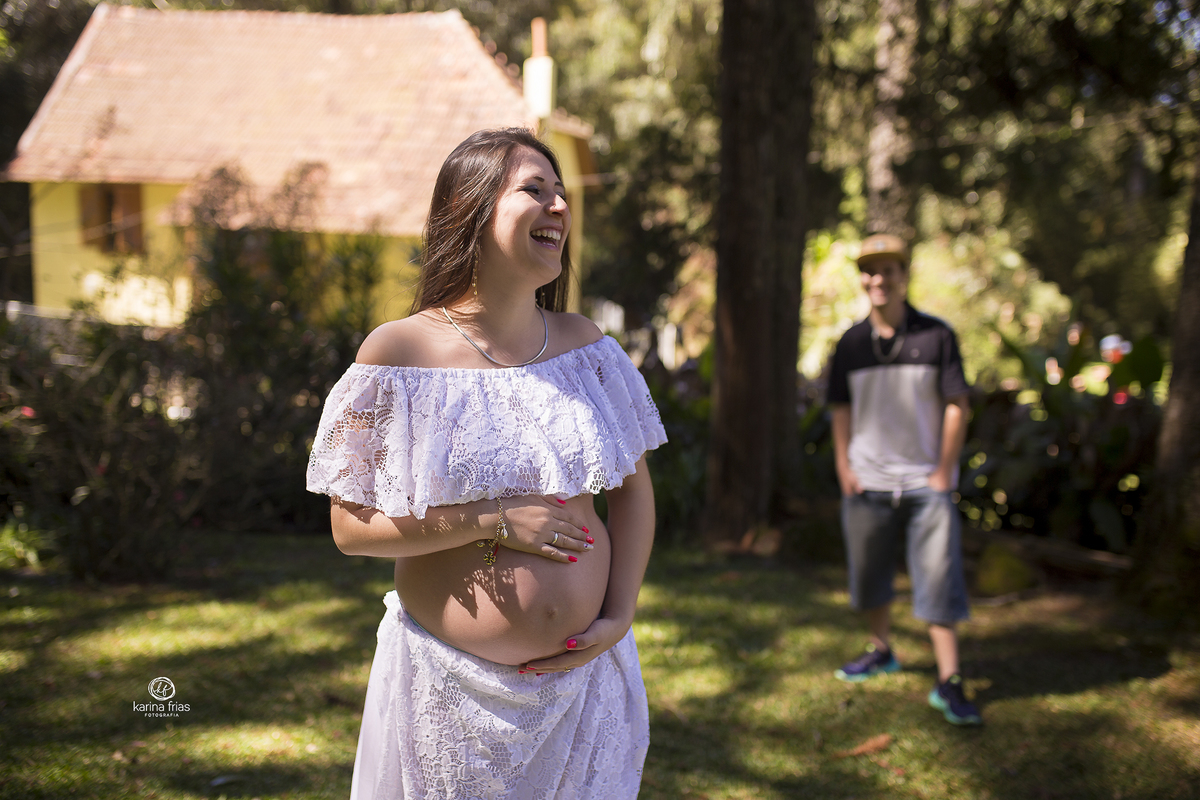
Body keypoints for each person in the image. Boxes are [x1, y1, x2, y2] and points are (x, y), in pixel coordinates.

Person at [306, 128, 666, 798]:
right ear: (471, 209)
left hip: (582, 689)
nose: (559, 205)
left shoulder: (587, 348)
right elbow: (350, 527)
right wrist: (490, 520)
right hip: (450, 695)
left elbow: (631, 493)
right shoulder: (399, 353)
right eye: (535, 189)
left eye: (562, 193)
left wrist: (619, 616)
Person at [826, 233, 982, 726]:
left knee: (939, 580)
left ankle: (949, 679)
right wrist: (845, 468)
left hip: (924, 484)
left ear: (903, 275)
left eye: (888, 269)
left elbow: (958, 404)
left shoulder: (937, 336)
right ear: (863, 280)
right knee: (871, 576)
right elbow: (840, 410)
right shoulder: (851, 343)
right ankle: (881, 650)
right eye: (870, 271)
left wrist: (942, 471)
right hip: (867, 482)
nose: (878, 279)